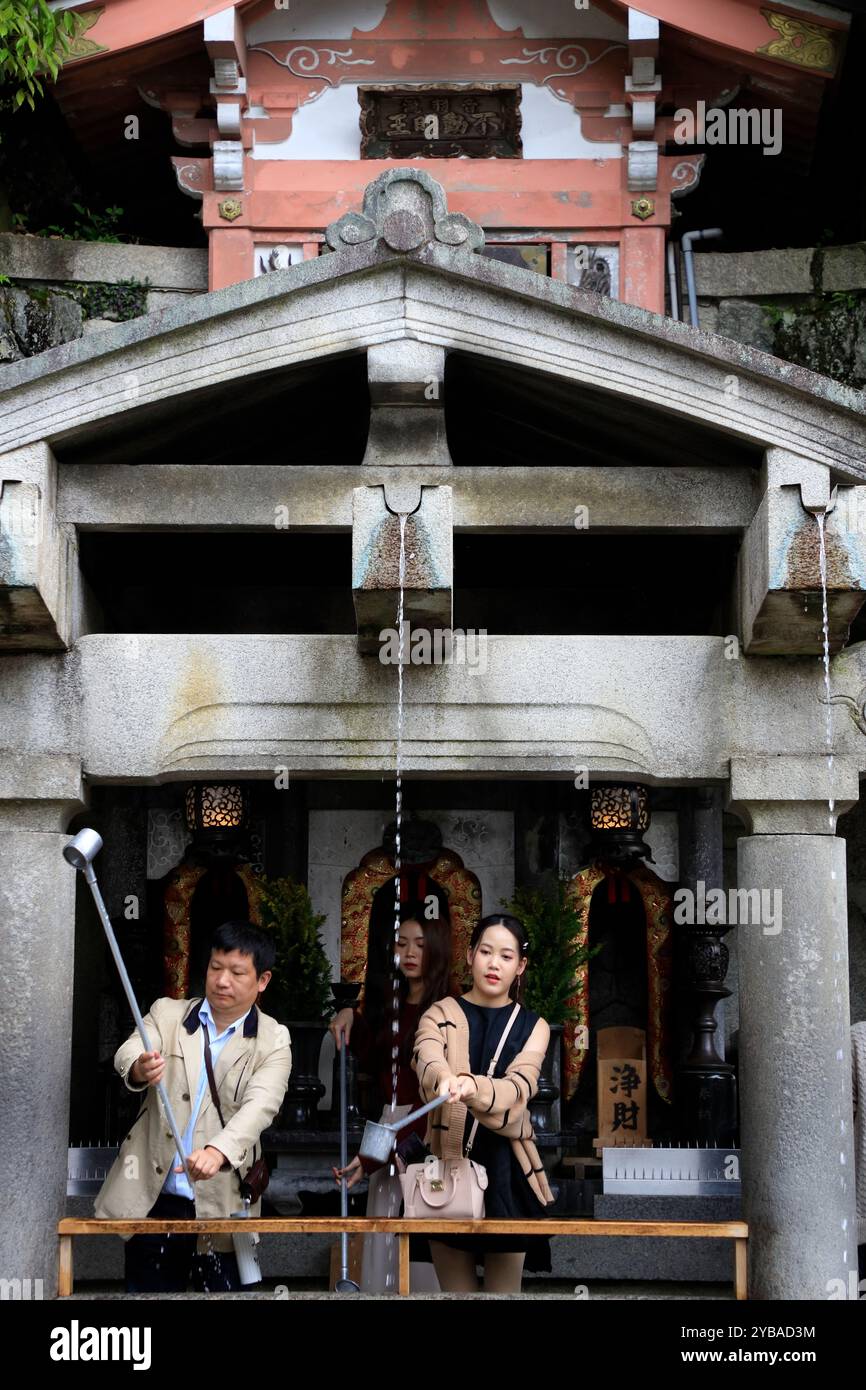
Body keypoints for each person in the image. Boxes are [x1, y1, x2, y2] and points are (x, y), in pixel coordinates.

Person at [94, 920, 291, 1292]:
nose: (221, 980)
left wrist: (218, 1151)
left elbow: (261, 1105)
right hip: (156, 1197)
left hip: (224, 1201)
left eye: (237, 972)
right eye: (216, 967)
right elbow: (131, 1046)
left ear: (262, 980)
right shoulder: (168, 1013)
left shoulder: (274, 1039)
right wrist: (138, 1066)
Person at [412, 912, 555, 1293]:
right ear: (471, 955)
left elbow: (519, 1090)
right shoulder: (439, 1013)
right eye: (486, 952)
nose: (494, 964)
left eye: (506, 956)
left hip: (507, 1172)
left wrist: (471, 1087)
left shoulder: (534, 1026)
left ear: (520, 966)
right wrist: (442, 1077)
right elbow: (426, 1056)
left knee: (504, 1295)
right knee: (456, 1294)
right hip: (449, 1167)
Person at [330, 899, 452, 1292]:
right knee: (381, 1223)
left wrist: (385, 1149)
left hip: (430, 1130)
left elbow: (431, 1093)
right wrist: (351, 1013)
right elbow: (374, 1061)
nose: (410, 953)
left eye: (419, 943)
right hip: (387, 1123)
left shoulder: (450, 1009)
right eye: (402, 944)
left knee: (425, 1225)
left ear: (437, 948)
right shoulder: (390, 1004)